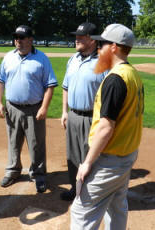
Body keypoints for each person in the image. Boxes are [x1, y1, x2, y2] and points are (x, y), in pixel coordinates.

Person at [70, 24, 144, 230]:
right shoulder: (133, 74)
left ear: (113, 47)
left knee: (81, 211)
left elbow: (106, 127)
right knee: (117, 205)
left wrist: (87, 163)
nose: (98, 48)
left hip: (110, 159)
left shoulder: (115, 79)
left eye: (101, 44)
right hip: (127, 154)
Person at [0, 25, 58, 193]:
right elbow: (0, 80)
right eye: (16, 37)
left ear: (31, 40)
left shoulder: (42, 59)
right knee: (13, 142)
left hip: (34, 108)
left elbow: (50, 86)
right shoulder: (8, 57)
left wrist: (44, 107)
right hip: (12, 107)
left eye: (22, 38)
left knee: (36, 143)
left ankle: (38, 174)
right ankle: (12, 171)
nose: (18, 41)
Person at [60, 23, 107, 201]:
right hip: (73, 116)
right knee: (72, 155)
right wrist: (64, 111)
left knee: (91, 157)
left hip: (92, 118)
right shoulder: (73, 59)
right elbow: (66, 87)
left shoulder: (105, 62)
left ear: (94, 40)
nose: (77, 39)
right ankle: (75, 188)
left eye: (82, 36)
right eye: (76, 35)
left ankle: (91, 194)